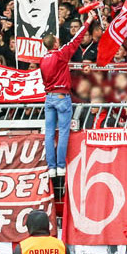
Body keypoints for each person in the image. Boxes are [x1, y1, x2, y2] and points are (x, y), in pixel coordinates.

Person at [39, 9, 98, 177]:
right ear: (56, 43)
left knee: (49, 133)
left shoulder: (43, 60)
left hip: (48, 97)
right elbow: (76, 39)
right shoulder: (61, 55)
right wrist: (88, 20)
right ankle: (60, 166)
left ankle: (51, 168)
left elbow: (43, 79)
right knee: (64, 132)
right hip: (61, 96)